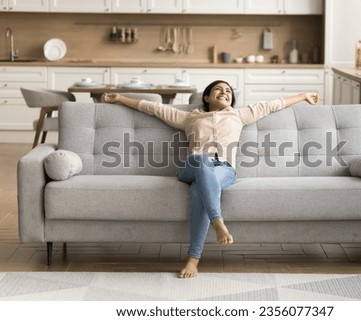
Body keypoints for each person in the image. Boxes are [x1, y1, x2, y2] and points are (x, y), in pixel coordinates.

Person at [103, 80, 319, 278]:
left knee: (200, 191)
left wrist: (303, 95)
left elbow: (272, 104)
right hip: (192, 167)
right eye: (219, 89)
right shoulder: (190, 117)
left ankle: (193, 260)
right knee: (200, 159)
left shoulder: (239, 115)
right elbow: (155, 108)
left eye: (228, 91)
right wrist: (121, 98)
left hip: (224, 170)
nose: (224, 92)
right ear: (206, 97)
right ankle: (218, 222)